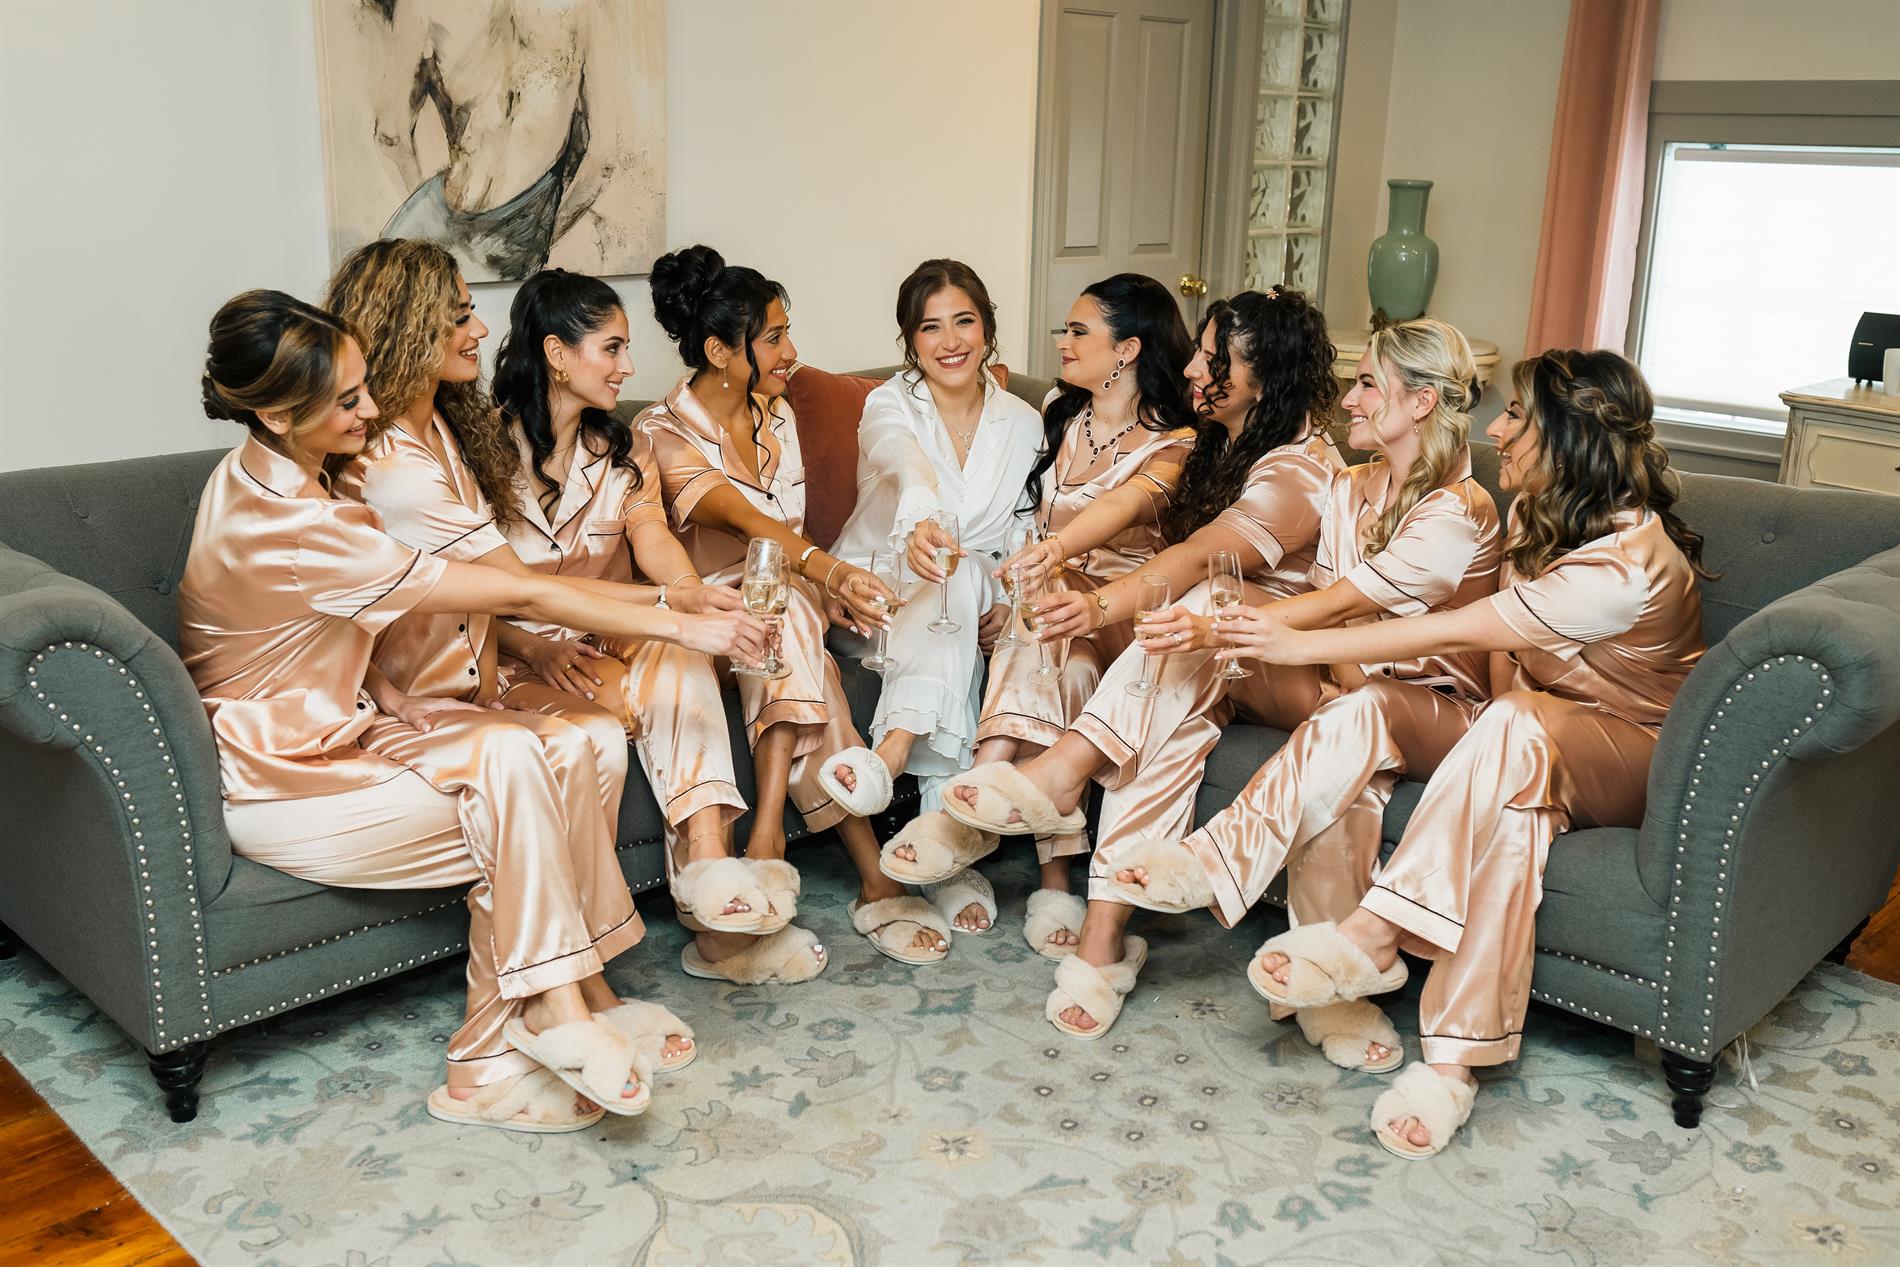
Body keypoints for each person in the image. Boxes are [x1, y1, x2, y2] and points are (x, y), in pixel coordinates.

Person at [182, 290, 763, 1134]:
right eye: (348, 400)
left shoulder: (273, 473)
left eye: (364, 387)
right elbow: (516, 590)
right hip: (283, 777)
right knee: (516, 775)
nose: (371, 410)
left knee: (566, 750)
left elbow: (292, 625)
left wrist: (383, 689)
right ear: (275, 413)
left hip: (347, 728)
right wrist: (682, 619)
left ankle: (575, 992)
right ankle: (497, 1052)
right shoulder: (299, 521)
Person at [1114, 349, 1707, 1159]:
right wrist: (1483, 739)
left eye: (1517, 417)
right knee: (1389, 724)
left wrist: (1298, 640)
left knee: (1513, 727)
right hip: (1526, 733)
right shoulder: (1544, 515)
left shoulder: (1626, 567)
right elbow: (1507, 661)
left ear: (1567, 436)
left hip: (1628, 755)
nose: (1497, 431)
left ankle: (1374, 930)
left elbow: (1463, 626)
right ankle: (1447, 1062)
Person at [950, 319, 1504, 1060]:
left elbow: (1342, 602)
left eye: (1370, 384)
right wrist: (1212, 627)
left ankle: (1177, 842)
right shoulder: (1352, 486)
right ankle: (1106, 931)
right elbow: (1320, 612)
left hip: (1435, 710)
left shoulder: (1462, 508)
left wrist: (1221, 624)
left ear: (1423, 402)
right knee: (1181, 698)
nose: (1351, 398)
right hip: (1338, 683)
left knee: (1259, 652)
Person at [325, 242, 748, 1065]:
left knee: (597, 735)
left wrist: (681, 601)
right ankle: (575, 992)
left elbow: (530, 581)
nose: (480, 326)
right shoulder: (401, 464)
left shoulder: (448, 429)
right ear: (412, 327)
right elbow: (515, 592)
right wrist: (676, 612)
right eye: (460, 314)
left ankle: (597, 973)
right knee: (579, 738)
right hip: (430, 696)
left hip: (482, 673)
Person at [639, 245, 956, 970]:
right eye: (774, 338)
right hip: (700, 623)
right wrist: (830, 575)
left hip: (777, 620)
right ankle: (848, 865)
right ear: (720, 351)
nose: (792, 354)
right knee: (788, 619)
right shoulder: (662, 432)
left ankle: (775, 843)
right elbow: (747, 523)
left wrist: (820, 591)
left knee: (791, 622)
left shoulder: (775, 415)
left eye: (788, 333)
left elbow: (784, 547)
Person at [486, 266, 807, 974]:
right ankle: (719, 925)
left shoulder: (623, 447)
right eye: (612, 348)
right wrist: (532, 648)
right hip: (511, 655)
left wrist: (689, 593)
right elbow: (465, 593)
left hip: (614, 631)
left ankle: (712, 876)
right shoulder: (480, 452)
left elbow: (652, 536)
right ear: (555, 352)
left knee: (682, 653)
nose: (629, 366)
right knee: (653, 686)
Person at [879, 273, 1197, 947]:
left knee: (1048, 620)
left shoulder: (1176, 442)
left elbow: (1124, 506)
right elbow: (1022, 523)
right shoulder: (1058, 411)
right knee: (1053, 650)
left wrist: (1054, 555)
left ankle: (962, 815)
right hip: (1052, 604)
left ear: (1128, 350)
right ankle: (1054, 883)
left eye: (1079, 331)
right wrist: (1022, 589)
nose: (1062, 341)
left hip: (1127, 612)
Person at [819, 259, 1045, 933]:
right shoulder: (888, 404)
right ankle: (944, 846)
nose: (950, 341)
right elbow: (902, 459)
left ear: (988, 328)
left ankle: (890, 763)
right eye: (930, 327)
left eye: (964, 322)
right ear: (910, 340)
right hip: (875, 600)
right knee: (957, 573)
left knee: (966, 576)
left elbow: (1023, 532)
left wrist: (1007, 602)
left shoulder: (1025, 422)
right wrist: (923, 522)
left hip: (964, 603)